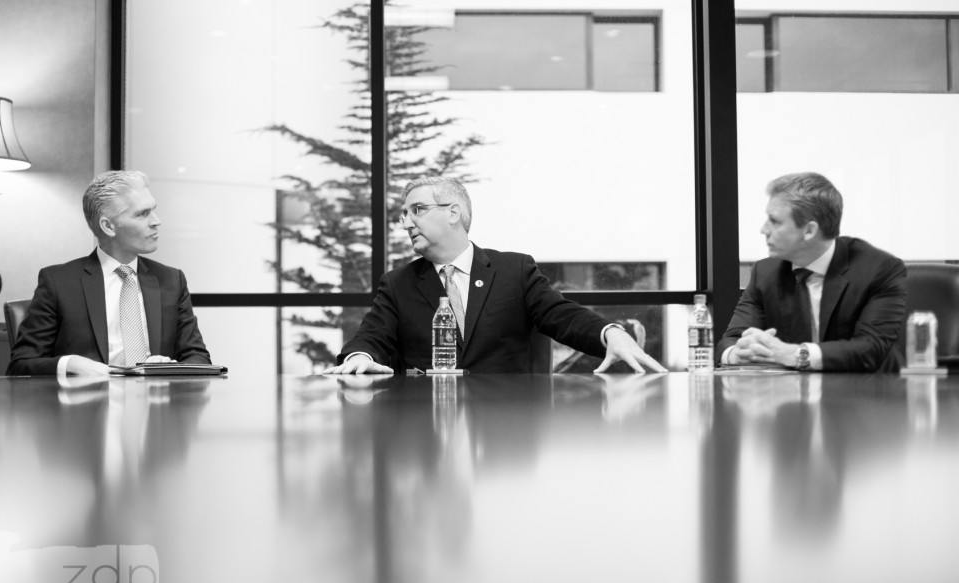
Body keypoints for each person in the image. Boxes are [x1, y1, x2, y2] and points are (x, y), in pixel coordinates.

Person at [326, 176, 667, 374]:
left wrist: (610, 333)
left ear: (454, 213)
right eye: (404, 215)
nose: (406, 222)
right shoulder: (398, 283)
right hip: (425, 428)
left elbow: (560, 314)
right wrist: (359, 357)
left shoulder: (512, 271)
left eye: (417, 210)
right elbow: (373, 334)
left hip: (506, 427)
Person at [7, 171, 211, 376]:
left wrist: (170, 367)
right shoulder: (58, 283)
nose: (156, 221)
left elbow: (198, 358)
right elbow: (20, 366)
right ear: (108, 226)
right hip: (87, 404)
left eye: (153, 210)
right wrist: (71, 363)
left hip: (154, 403)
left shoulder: (171, 281)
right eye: (142, 214)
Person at [716, 172, 906, 372]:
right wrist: (736, 354)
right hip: (789, 397)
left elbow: (871, 349)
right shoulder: (765, 272)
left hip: (867, 396)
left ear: (809, 231)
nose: (763, 229)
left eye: (774, 221)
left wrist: (794, 354)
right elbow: (730, 340)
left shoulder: (879, 270)